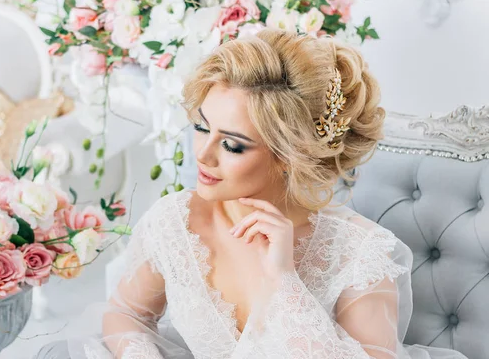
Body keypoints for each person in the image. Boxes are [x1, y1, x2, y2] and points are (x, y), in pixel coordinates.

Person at [36, 30, 467, 359]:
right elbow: (126, 314)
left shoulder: (362, 255)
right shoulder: (176, 221)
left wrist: (283, 281)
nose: (202, 154)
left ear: (287, 155)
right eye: (202, 127)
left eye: (233, 144)